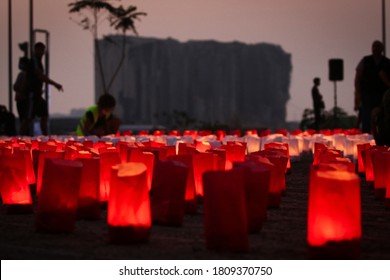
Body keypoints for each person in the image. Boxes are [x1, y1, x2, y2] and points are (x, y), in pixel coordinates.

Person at [26, 42, 63, 136]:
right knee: (28, 117)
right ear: (35, 50)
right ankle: (19, 137)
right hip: (32, 93)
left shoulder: (39, 61)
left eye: (42, 50)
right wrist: (55, 84)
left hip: (38, 94)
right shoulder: (34, 61)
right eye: (39, 50)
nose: (41, 52)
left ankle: (46, 137)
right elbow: (40, 76)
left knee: (44, 114)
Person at [354, 40, 390, 134]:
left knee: (381, 117)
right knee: (366, 116)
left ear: (382, 49)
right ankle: (366, 137)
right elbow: (358, 77)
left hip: (382, 95)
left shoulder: (387, 63)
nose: (375, 49)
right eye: (374, 46)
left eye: (378, 46)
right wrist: (358, 94)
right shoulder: (366, 61)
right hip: (367, 94)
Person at [13, 57, 30, 135]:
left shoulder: (23, 74)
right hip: (21, 99)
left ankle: (23, 134)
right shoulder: (23, 74)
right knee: (24, 119)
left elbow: (15, 87)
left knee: (24, 119)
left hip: (22, 100)